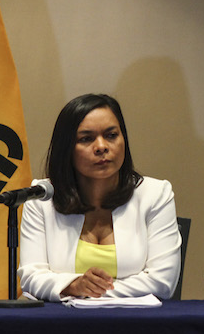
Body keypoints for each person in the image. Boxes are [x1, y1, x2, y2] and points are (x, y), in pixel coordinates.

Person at [18, 94, 181, 302]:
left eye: (111, 135)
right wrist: (75, 285)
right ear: (66, 148)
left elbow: (163, 282)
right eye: (86, 139)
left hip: (135, 323)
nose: (102, 146)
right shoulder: (42, 197)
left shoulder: (155, 194)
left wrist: (83, 290)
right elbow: (31, 277)